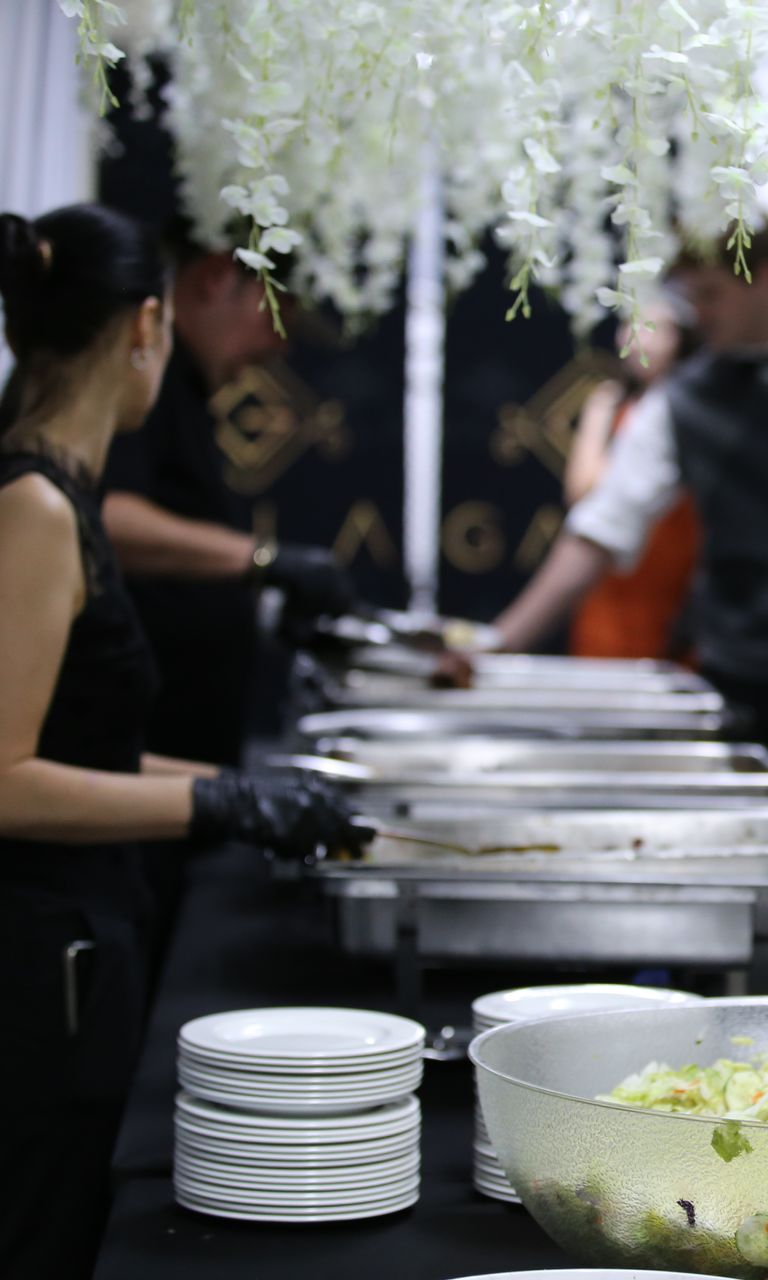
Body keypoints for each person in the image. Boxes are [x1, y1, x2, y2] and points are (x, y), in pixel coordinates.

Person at [0, 205, 365, 1278]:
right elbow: (6, 780)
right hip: (38, 956)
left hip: (81, 931)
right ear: (149, 323)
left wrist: (244, 782)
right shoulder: (35, 505)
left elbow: (90, 747)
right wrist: (217, 804)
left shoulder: (58, 491)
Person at [488, 221, 768, 833]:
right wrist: (500, 643)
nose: (697, 314)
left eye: (711, 294)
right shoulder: (681, 400)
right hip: (737, 673)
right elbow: (600, 528)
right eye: (688, 298)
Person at [100, 228, 357, 769]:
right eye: (274, 318)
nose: (279, 348)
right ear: (216, 278)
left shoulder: (185, 389)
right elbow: (105, 518)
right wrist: (264, 560)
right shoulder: (139, 385)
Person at [564, 298, 700, 661]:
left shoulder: (700, 407)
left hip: (679, 584)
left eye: (653, 329)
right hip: (615, 580)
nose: (638, 338)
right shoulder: (609, 404)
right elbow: (582, 491)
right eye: (633, 325)